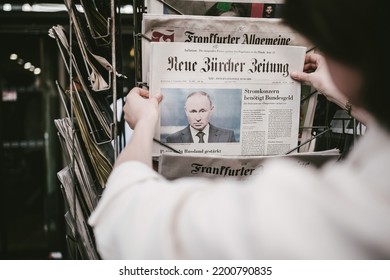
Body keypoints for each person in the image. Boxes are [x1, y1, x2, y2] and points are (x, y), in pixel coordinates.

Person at [88, 0, 390, 259]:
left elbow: (127, 215)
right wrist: (347, 96)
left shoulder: (321, 214)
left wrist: (143, 125)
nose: (196, 116)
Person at [165, 91, 237, 143]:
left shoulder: (227, 137)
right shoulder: (172, 140)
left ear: (211, 110)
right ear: (186, 111)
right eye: (193, 111)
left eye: (202, 111)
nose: (198, 118)